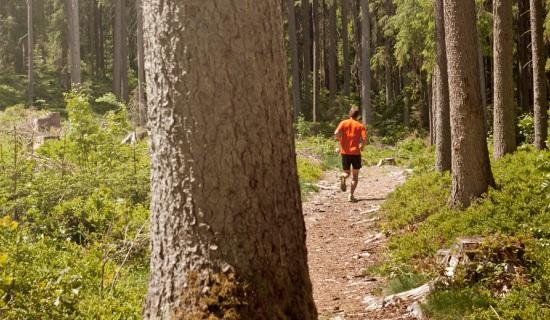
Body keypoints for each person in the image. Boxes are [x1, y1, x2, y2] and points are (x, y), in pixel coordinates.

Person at [334, 106, 367, 202]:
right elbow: (364, 139)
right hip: (356, 153)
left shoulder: (343, 123)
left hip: (345, 152)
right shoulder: (360, 125)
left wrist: (339, 140)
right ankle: (351, 195)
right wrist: (362, 146)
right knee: (355, 176)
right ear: (358, 116)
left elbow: (336, 133)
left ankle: (343, 177)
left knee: (346, 172)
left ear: (350, 114)